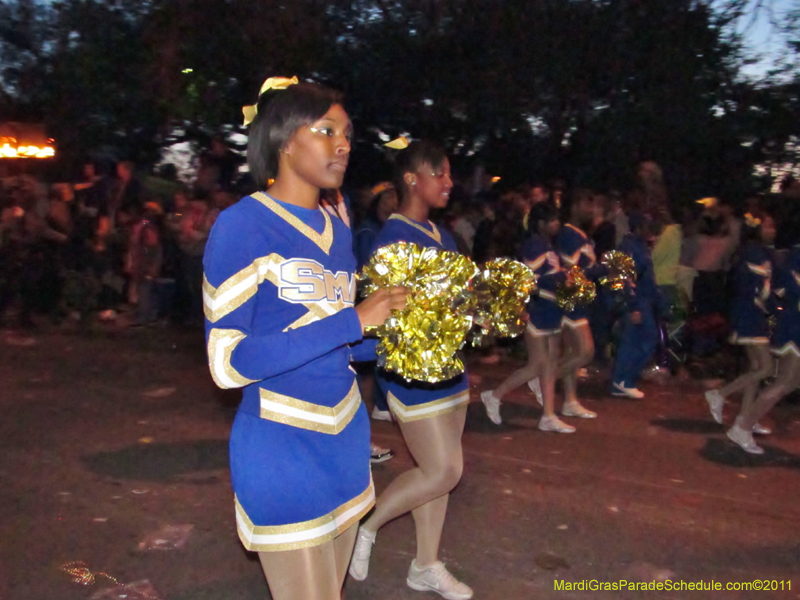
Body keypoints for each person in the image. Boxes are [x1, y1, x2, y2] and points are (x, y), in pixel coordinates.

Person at [202, 77, 405, 600]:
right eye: (326, 130)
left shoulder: (337, 231)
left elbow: (343, 345)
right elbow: (226, 363)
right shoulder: (242, 224)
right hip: (280, 445)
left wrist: (407, 337)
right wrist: (353, 321)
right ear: (284, 139)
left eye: (348, 134)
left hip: (346, 439)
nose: (343, 144)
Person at [349, 140, 473, 600]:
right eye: (440, 173)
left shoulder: (443, 235)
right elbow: (384, 317)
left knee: (435, 476)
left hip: (451, 371)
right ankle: (370, 523)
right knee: (444, 470)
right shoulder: (392, 240)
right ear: (411, 179)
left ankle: (425, 564)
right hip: (410, 375)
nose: (449, 182)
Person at [480, 202, 576, 433]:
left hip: (552, 309)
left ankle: (548, 416)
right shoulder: (534, 245)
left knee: (551, 363)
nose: (557, 223)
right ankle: (494, 395)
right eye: (552, 220)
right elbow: (530, 280)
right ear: (540, 223)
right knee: (537, 365)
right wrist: (561, 280)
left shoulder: (548, 245)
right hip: (538, 309)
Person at [705, 211, 776, 453]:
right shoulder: (757, 252)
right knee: (765, 368)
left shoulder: (750, 250)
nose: (773, 230)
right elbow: (762, 287)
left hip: (747, 313)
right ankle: (720, 394)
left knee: (755, 369)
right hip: (750, 314)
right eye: (768, 225)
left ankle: (747, 417)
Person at [553, 189, 603, 419]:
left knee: (574, 351)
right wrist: (601, 269)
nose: (592, 210)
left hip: (578, 298)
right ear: (575, 207)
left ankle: (570, 400)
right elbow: (571, 270)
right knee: (585, 351)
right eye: (588, 204)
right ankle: (544, 379)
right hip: (571, 299)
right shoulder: (570, 234)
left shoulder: (578, 234)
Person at [610, 212, 661, 398]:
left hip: (643, 300)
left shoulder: (640, 246)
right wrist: (633, 306)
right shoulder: (630, 247)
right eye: (647, 227)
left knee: (642, 340)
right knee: (635, 341)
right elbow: (625, 278)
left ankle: (624, 381)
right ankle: (622, 381)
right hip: (636, 301)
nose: (651, 231)